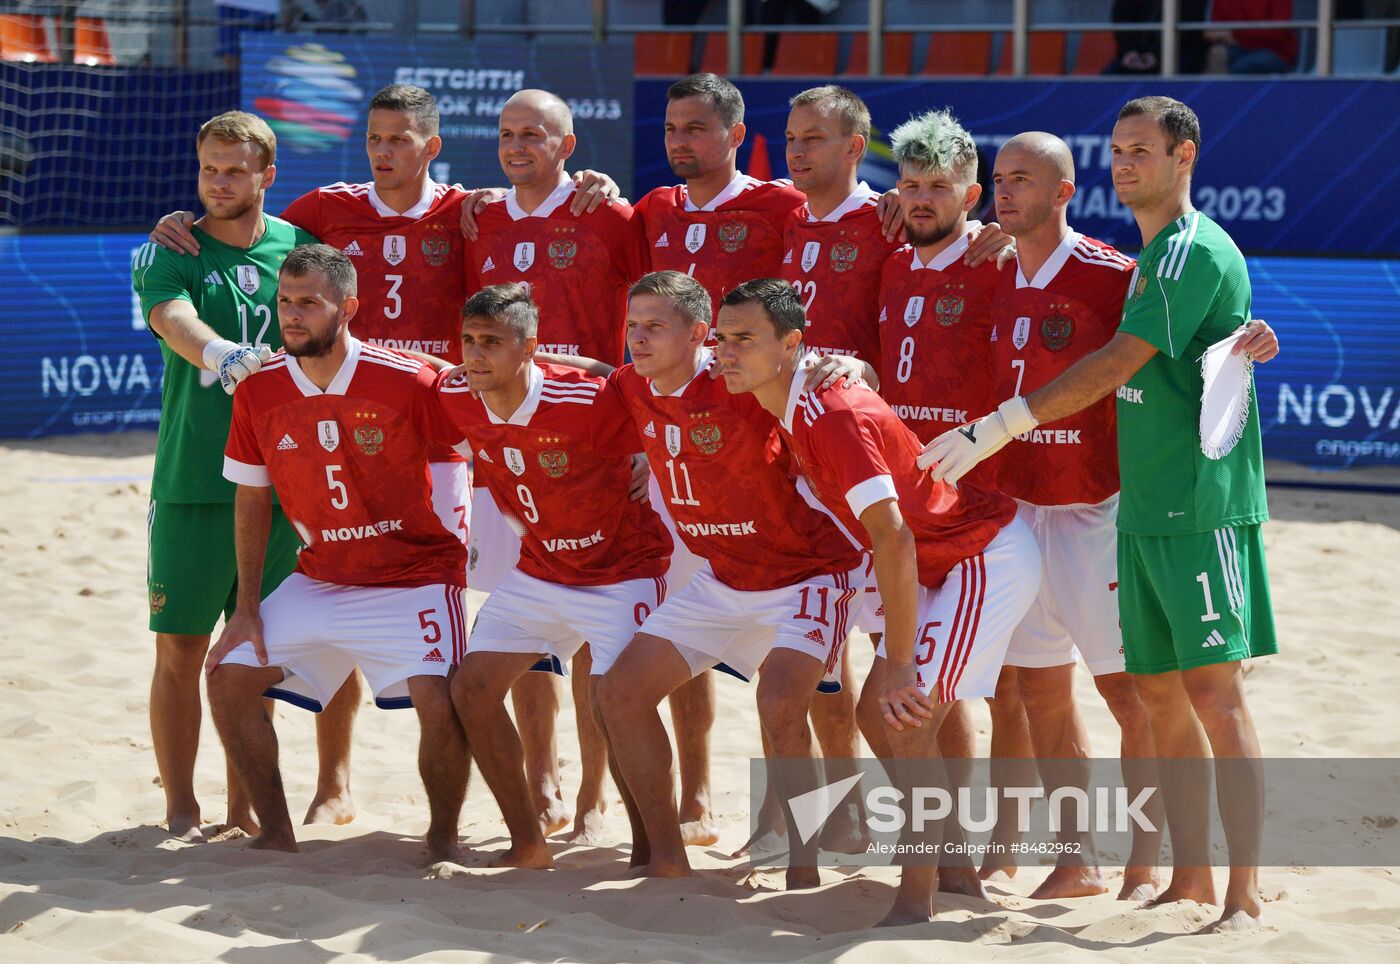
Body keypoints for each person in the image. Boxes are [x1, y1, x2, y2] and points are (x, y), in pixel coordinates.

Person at [146, 84, 620, 835]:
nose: (383, 151)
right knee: (342, 583)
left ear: (431, 146)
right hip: (335, 429)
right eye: (374, 138)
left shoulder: (470, 210)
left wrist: (588, 183)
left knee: (521, 603)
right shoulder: (327, 209)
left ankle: (545, 772)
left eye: (400, 139)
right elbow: (244, 223)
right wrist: (184, 221)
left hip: (444, 429)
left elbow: (534, 224)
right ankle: (332, 782)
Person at [921, 96, 1280, 930]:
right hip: (1098, 508)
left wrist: (1000, 424)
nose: (1127, 164)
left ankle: (1230, 886)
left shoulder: (1154, 257)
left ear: (1184, 155)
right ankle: (1152, 872)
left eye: (1142, 152)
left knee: (1204, 697)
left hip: (1173, 506)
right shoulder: (1105, 258)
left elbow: (1129, 355)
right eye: (1119, 150)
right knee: (1129, 695)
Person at [716, 278, 1041, 926]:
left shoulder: (830, 412)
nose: (726, 352)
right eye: (722, 338)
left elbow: (893, 536)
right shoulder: (786, 389)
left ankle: (917, 901)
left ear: (791, 345)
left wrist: (895, 659)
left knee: (899, 711)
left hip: (979, 555)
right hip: (933, 559)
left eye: (742, 339)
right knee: (878, 715)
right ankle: (953, 873)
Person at [591, 271, 869, 886]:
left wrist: (847, 364)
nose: (637, 338)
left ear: (698, 335)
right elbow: (574, 375)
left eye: (654, 326)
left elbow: (841, 379)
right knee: (619, 694)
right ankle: (667, 858)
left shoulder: (742, 376)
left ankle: (804, 870)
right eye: (632, 325)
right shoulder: (629, 385)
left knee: (780, 701)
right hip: (723, 579)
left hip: (809, 573)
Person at [204, 243, 471, 859]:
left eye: (308, 304)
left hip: (414, 577)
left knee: (440, 697)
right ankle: (275, 834)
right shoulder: (259, 389)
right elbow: (250, 501)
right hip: (322, 576)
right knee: (226, 675)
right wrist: (246, 609)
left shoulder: (410, 379)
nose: (291, 316)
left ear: (349, 307)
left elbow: (493, 418)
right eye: (284, 303)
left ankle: (442, 840)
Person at [131, 110, 320, 841]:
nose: (219, 181)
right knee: (179, 648)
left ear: (267, 176)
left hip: (281, 486)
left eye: (235, 170)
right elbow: (171, 316)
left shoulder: (301, 249)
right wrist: (220, 354)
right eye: (209, 168)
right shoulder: (168, 246)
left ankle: (246, 807)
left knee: (255, 654)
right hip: (191, 481)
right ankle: (181, 808)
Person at [438, 283, 672, 869]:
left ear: (529, 349)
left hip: (623, 573)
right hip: (539, 573)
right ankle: (527, 842)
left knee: (619, 701)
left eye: (492, 342)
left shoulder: (591, 400)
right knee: (470, 688)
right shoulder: (457, 393)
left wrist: (648, 453)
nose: (475, 354)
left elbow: (668, 399)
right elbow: (407, 369)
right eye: (469, 341)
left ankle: (654, 854)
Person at [988, 131, 1163, 900]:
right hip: (1016, 510)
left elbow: (1175, 348)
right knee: (1037, 690)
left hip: (1094, 509)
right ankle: (1075, 856)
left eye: (1022, 179)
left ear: (1063, 191)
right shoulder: (985, 266)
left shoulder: (1110, 273)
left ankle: (1148, 858)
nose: (1005, 192)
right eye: (999, 179)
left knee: (1129, 692)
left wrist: (1250, 339)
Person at [635, 73, 807, 317]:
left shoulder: (785, 203)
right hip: (672, 356)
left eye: (694, 129)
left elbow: (849, 213)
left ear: (736, 135)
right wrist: (596, 184)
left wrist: (883, 203)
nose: (678, 142)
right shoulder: (655, 206)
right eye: (671, 129)